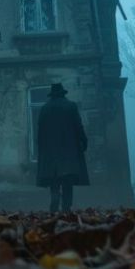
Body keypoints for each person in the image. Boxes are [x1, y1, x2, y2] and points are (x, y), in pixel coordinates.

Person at [36, 83, 89, 212]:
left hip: (50, 152)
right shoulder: (71, 106)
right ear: (63, 93)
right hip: (68, 151)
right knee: (67, 181)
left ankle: (54, 203)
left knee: (54, 181)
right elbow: (78, 126)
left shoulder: (44, 108)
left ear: (52, 95)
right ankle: (66, 208)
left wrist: (41, 149)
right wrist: (84, 140)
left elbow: (40, 132)